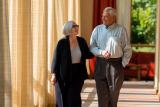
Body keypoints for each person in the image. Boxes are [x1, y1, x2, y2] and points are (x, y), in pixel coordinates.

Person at [90, 7, 132, 107]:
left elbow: (127, 49)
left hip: (116, 65)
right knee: (102, 94)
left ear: (113, 17)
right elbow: (92, 47)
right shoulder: (97, 30)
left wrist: (122, 64)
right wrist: (101, 52)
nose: (103, 18)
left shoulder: (121, 30)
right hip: (100, 64)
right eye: (102, 16)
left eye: (106, 16)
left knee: (113, 95)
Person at [51, 20, 94, 107]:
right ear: (69, 28)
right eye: (74, 26)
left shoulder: (81, 41)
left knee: (74, 97)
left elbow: (88, 54)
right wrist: (53, 74)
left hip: (78, 72)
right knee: (63, 99)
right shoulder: (61, 43)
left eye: (77, 25)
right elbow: (56, 59)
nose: (77, 27)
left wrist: (98, 50)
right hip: (63, 73)